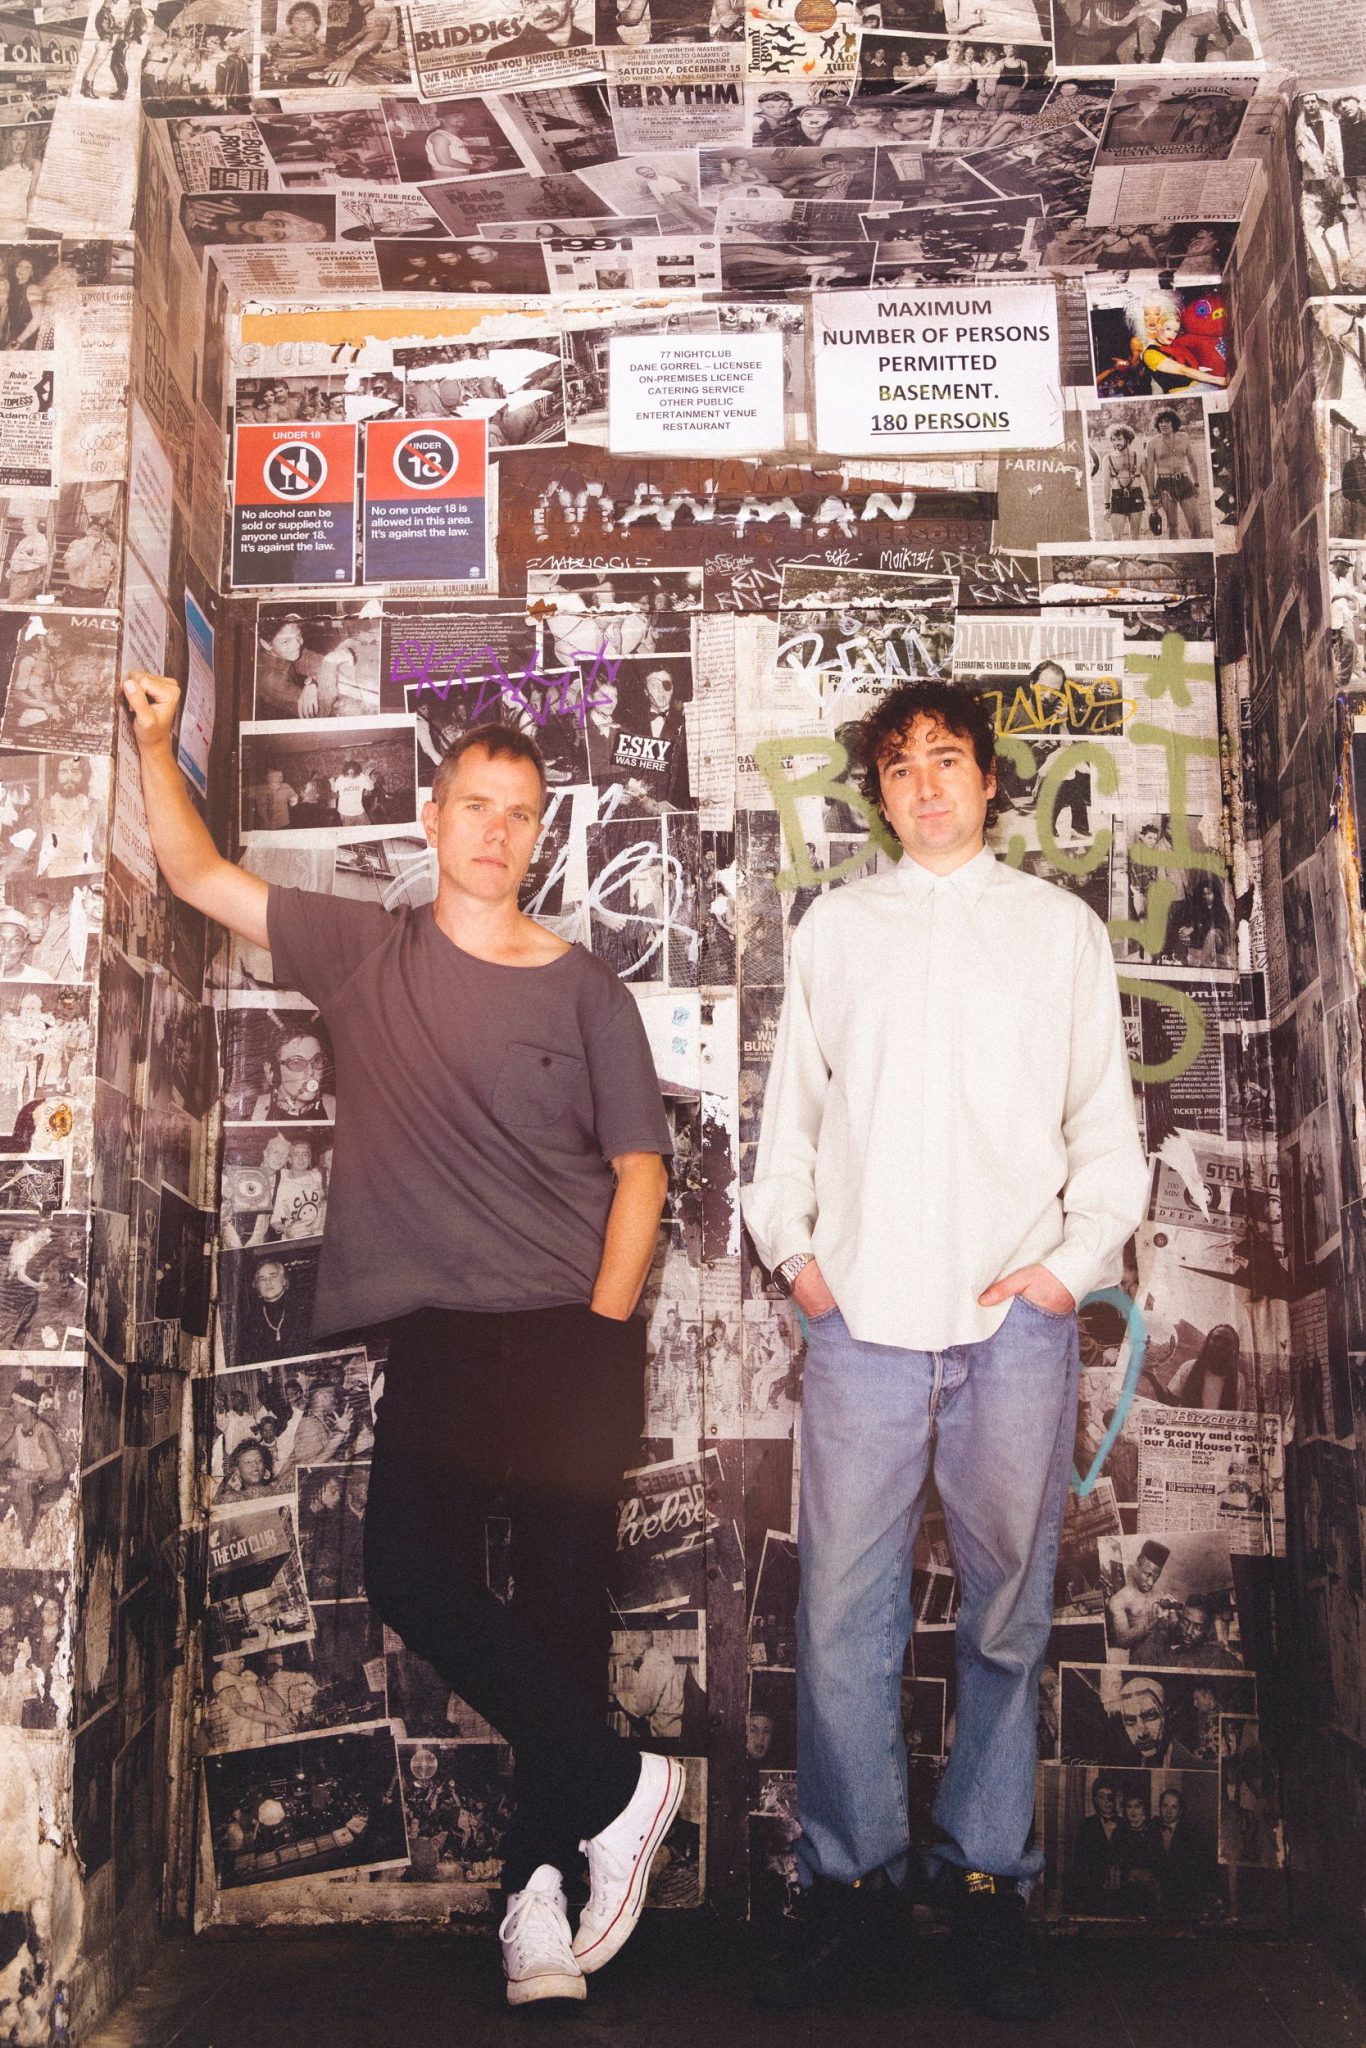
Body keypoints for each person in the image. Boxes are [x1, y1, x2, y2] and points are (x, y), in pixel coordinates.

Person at [124, 672, 681, 2010]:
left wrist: (601, 1334)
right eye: (474, 806)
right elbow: (195, 874)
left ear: (537, 836)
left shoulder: (587, 990)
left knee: (558, 1620)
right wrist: (152, 739)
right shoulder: (363, 950)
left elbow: (641, 1174)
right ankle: (624, 1785)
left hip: (575, 1333)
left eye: (519, 814)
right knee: (414, 1578)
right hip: (444, 1340)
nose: (496, 830)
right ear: (432, 820)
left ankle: (536, 1903)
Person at [742, 678, 1148, 2017]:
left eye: (947, 760)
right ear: (879, 792)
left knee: (1005, 1613)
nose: (923, 784)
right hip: (860, 1322)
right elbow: (789, 1128)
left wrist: (1063, 1277)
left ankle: (983, 1882)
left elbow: (1106, 1133)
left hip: (1009, 1327)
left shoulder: (1055, 931)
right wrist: (801, 1265)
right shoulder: (837, 930)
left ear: (987, 781)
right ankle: (853, 1885)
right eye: (899, 765)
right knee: (839, 1614)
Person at [1107, 1539, 1177, 1662]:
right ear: (1137, 1564)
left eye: (1156, 1577)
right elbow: (1122, 1641)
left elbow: (1172, 1631)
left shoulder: (1160, 1593)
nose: (1151, 1583)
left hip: (1166, 1658)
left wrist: (1173, 1615)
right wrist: (1154, 1620)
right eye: (1147, 1574)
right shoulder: (1119, 1600)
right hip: (1141, 1661)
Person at [1113, 1675, 1200, 1769]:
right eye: (1130, 1721)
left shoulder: (1189, 1766)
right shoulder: (1123, 1763)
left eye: (1149, 1716)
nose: (1141, 1733)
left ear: (1165, 1713)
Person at [497, 0, 592, 56]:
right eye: (531, 1)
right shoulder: (501, 54)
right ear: (523, 7)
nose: (543, 8)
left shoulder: (592, 42)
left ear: (573, 1)